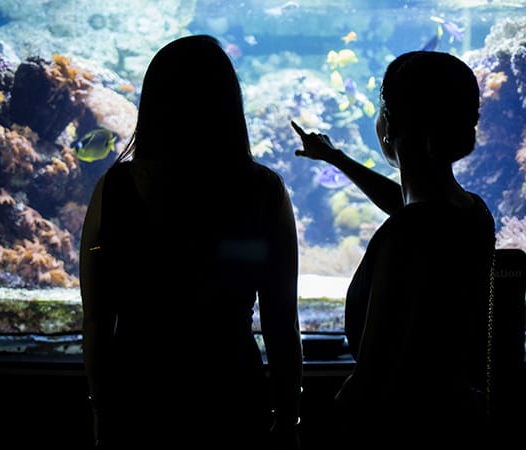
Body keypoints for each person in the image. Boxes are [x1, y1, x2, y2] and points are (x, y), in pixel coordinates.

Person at [80, 35, 303, 449]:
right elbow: (281, 321)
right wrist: (289, 415)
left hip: (138, 397)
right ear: (227, 105)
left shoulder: (113, 189)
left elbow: (95, 320)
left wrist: (101, 409)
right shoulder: (265, 191)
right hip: (231, 394)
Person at [292, 50, 495, 445]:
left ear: (391, 125)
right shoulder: (471, 212)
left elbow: (372, 374)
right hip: (454, 420)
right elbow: (411, 203)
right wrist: (337, 159)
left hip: (401, 431)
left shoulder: (405, 237)